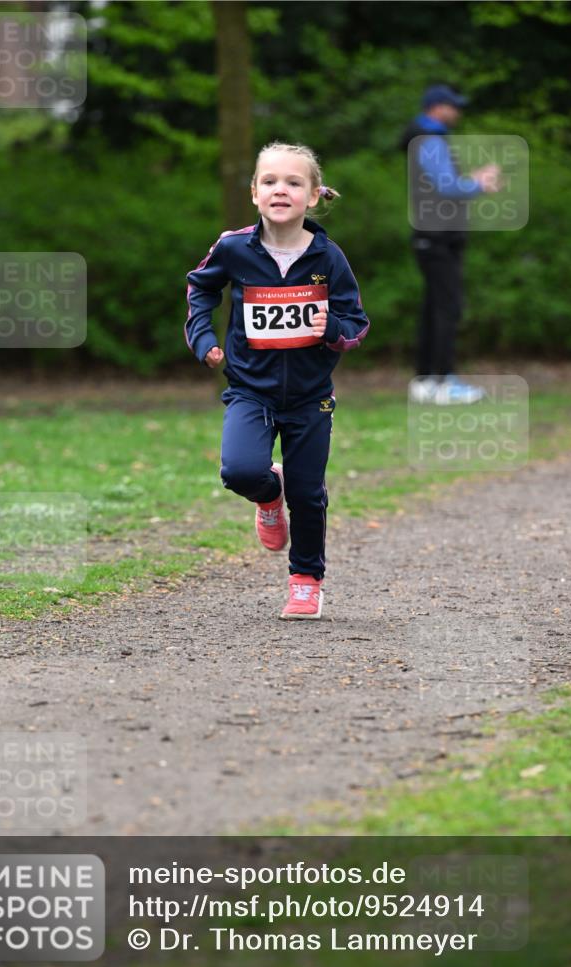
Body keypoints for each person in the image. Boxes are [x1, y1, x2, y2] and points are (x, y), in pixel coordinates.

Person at [185, 142, 369, 620]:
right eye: (269, 181)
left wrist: (330, 329)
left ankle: (306, 580)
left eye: (292, 182)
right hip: (250, 388)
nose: (280, 190)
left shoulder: (328, 257)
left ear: (312, 196)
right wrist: (203, 337)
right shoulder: (233, 248)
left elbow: (356, 322)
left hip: (311, 396)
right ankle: (269, 493)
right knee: (240, 471)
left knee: (308, 494)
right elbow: (200, 287)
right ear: (254, 193)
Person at [400, 84, 501, 405]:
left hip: (430, 235)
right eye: (453, 106)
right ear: (437, 108)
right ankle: (443, 382)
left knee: (434, 307)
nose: (457, 111)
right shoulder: (430, 140)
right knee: (447, 308)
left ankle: (426, 381)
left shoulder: (426, 139)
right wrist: (479, 183)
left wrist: (467, 180)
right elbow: (447, 188)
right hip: (439, 237)